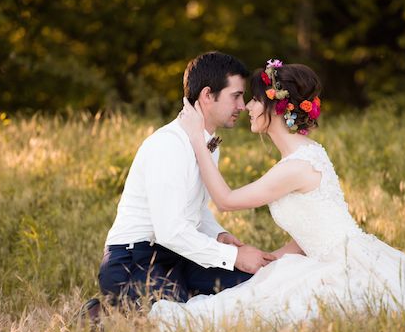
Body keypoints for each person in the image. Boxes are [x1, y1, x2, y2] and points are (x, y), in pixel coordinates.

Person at [149, 59, 405, 328]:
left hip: (344, 264)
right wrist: (277, 257)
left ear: (274, 107)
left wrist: (198, 139)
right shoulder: (303, 156)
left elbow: (226, 201)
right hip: (326, 254)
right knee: (258, 295)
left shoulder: (296, 166)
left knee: (257, 312)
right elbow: (314, 227)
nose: (246, 107)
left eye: (254, 100)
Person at [92, 52, 277, 316]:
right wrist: (234, 256)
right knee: (172, 318)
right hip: (136, 258)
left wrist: (218, 235)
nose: (242, 105)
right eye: (235, 96)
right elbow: (170, 230)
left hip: (179, 252)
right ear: (207, 96)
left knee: (248, 288)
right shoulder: (168, 145)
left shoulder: (207, 144)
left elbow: (194, 206)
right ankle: (103, 313)